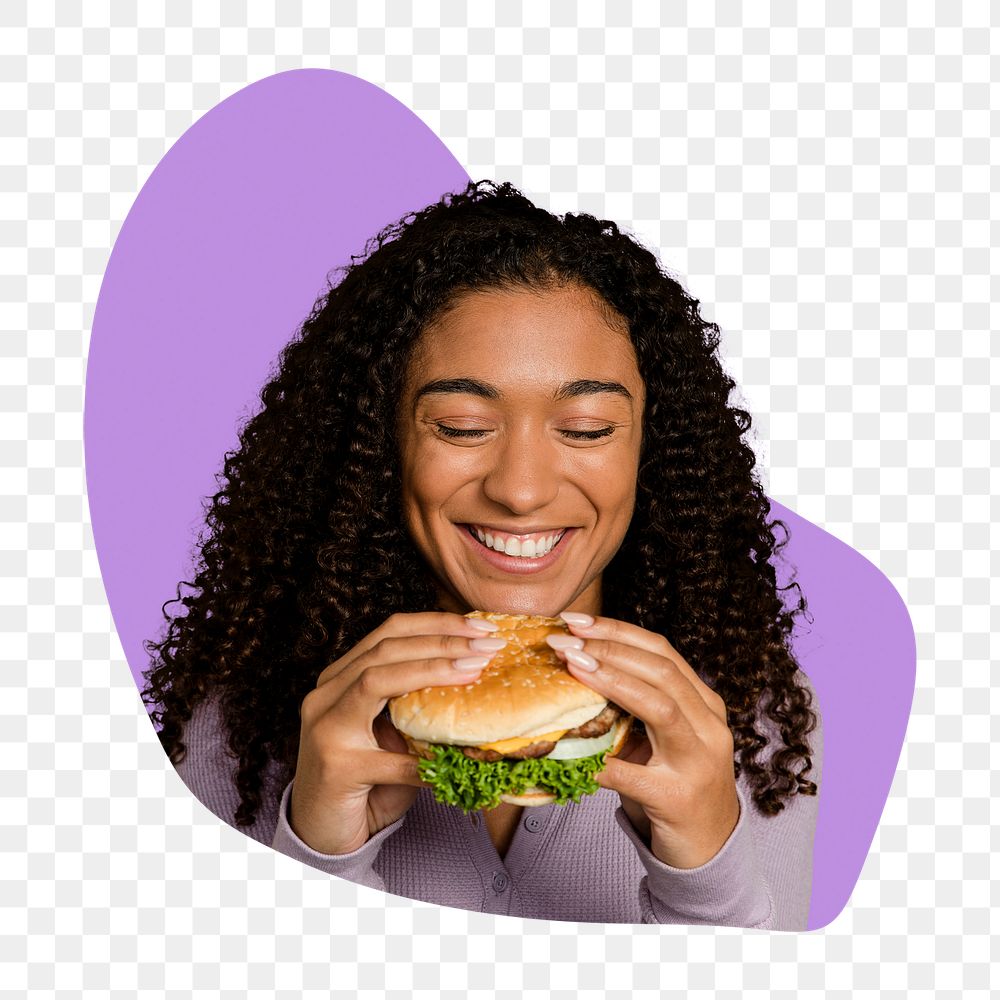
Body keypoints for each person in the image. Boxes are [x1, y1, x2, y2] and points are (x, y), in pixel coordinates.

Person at [143, 180, 821, 928]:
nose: (522, 491)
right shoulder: (242, 718)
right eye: (462, 426)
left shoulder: (750, 718)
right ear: (379, 447)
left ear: (652, 451)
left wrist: (706, 874)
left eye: (589, 428)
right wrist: (315, 858)